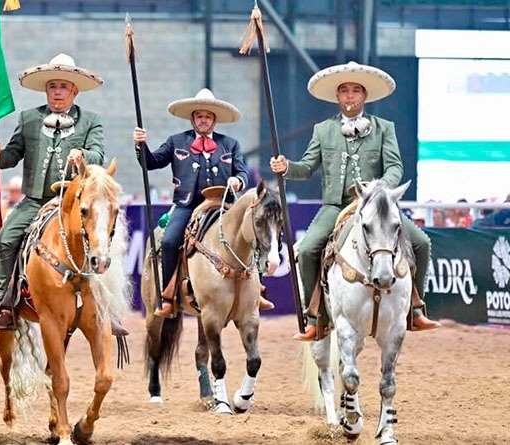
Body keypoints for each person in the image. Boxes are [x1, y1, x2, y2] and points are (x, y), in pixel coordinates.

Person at [269, 61, 440, 341]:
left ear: (365, 95)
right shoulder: (323, 129)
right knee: (309, 249)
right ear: (337, 96)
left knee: (421, 243)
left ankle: (415, 309)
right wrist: (287, 167)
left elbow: (395, 167)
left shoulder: (384, 128)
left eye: (356, 90)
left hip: (377, 206)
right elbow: (308, 167)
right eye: (344, 91)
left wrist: (379, 189)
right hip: (336, 206)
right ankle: (315, 317)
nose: (350, 95)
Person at [0, 53, 126, 334]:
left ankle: (107, 309)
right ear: (46, 90)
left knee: (101, 241)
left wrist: (83, 155)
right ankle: (7, 303)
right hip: (34, 201)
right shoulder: (29, 119)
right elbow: (13, 154)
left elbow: (98, 153)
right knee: (5, 239)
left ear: (74, 91)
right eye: (53, 86)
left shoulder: (91, 121)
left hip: (72, 201)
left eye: (64, 87)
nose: (58, 92)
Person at [133, 88, 272, 318]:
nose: (203, 120)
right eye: (199, 116)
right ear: (192, 118)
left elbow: (242, 172)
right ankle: (168, 296)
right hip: (187, 206)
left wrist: (238, 180)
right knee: (169, 241)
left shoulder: (230, 144)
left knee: (253, 234)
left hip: (223, 206)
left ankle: (257, 291)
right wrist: (141, 145)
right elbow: (151, 162)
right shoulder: (176, 141)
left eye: (208, 116)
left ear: (214, 119)